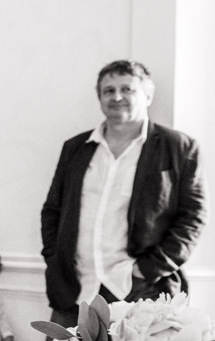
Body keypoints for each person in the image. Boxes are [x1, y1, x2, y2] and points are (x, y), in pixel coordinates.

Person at [41, 60, 206, 327]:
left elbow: (193, 218)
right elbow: (52, 210)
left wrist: (147, 269)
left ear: (148, 95)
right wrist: (54, 257)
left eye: (127, 89)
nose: (117, 97)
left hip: (141, 291)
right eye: (108, 91)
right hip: (73, 289)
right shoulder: (75, 148)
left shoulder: (178, 147)